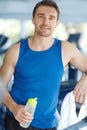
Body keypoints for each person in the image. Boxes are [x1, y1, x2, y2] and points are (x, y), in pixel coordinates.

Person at [0, 0, 87, 130]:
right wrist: (14, 107)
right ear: (33, 19)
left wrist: (86, 79)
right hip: (16, 121)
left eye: (51, 18)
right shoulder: (16, 51)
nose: (46, 22)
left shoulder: (66, 49)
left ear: (57, 23)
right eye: (41, 16)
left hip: (48, 124)